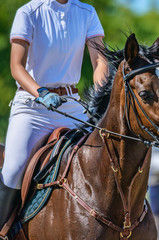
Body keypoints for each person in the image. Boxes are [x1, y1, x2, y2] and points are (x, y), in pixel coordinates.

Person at [0, 0, 107, 230]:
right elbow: (16, 67)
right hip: (32, 107)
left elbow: (99, 61)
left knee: (106, 154)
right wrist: (41, 92)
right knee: (13, 170)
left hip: (72, 106)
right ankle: (3, 230)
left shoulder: (87, 12)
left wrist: (101, 97)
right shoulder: (28, 13)